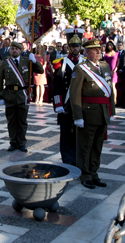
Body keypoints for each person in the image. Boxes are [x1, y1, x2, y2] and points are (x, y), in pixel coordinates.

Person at [69, 38, 116, 189]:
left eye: (99, 49)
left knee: (97, 146)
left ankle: (94, 173)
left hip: (103, 112)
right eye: (95, 50)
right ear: (87, 52)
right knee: (85, 146)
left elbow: (110, 91)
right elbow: (74, 93)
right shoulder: (81, 68)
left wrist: (112, 110)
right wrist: (78, 116)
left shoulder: (105, 66)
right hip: (88, 113)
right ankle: (85, 174)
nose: (98, 52)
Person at [0, 41, 44, 152]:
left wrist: (35, 61)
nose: (14, 50)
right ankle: (13, 142)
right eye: (12, 49)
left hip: (23, 95)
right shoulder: (5, 62)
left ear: (20, 51)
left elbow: (40, 70)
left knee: (22, 121)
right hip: (10, 95)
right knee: (11, 121)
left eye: (16, 49)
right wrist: (0, 97)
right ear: (9, 50)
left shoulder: (27, 61)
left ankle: (22, 143)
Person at [51, 29, 85, 165]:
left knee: (80, 136)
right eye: (73, 46)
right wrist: (58, 104)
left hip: (81, 105)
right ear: (69, 47)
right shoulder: (62, 63)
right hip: (66, 105)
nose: (75, 48)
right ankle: (68, 162)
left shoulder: (85, 62)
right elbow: (56, 86)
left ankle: (78, 161)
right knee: (66, 136)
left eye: (77, 46)